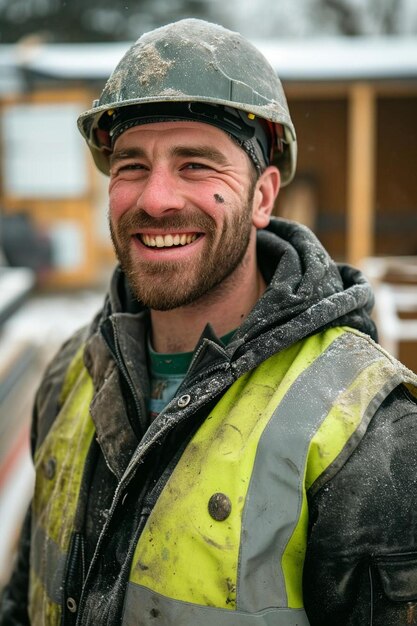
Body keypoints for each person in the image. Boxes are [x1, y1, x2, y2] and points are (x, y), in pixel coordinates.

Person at [1, 17, 417, 626]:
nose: (156, 198)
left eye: (196, 164)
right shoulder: (69, 374)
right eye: (132, 165)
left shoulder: (368, 432)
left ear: (263, 196)